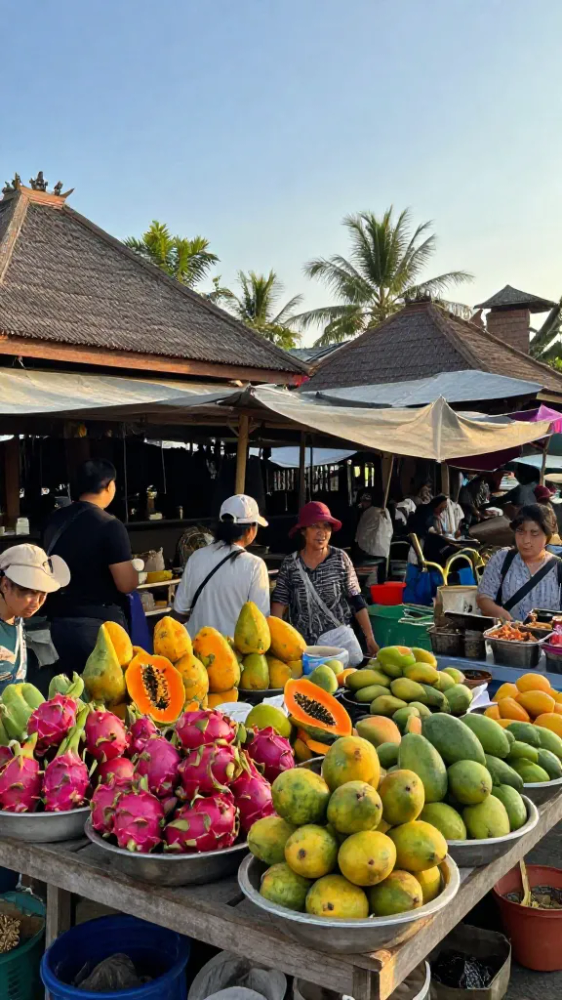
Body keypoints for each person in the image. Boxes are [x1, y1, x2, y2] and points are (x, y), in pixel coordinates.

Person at [43, 459, 138, 674]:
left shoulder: (54, 520)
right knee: (107, 697)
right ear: (109, 485)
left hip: (59, 623)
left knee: (73, 694)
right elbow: (125, 584)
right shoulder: (109, 525)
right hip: (99, 626)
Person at [270, 501, 378, 656]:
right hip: (305, 647)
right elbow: (279, 603)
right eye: (315, 526)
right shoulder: (291, 564)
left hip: (339, 645)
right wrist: (278, 641)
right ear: (303, 531)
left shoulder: (340, 558)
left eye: (326, 527)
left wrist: (369, 637)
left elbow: (356, 599)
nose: (322, 532)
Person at [172, 494, 270, 637]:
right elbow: (260, 623)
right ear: (250, 529)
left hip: (196, 652)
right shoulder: (254, 565)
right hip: (233, 655)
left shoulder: (196, 557)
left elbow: (179, 612)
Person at [0, 545, 70, 693]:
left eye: (43, 594)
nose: (36, 603)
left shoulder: (16, 618)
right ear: (5, 585)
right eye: (30, 593)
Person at [477, 504, 562, 621]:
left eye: (534, 533)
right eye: (520, 531)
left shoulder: (558, 568)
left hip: (547, 638)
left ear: (547, 536)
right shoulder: (502, 559)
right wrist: (499, 613)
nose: (526, 540)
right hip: (505, 636)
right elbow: (483, 597)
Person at [354, 490, 393, 564]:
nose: (362, 503)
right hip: (384, 552)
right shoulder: (385, 511)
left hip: (369, 553)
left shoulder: (369, 513)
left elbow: (359, 536)